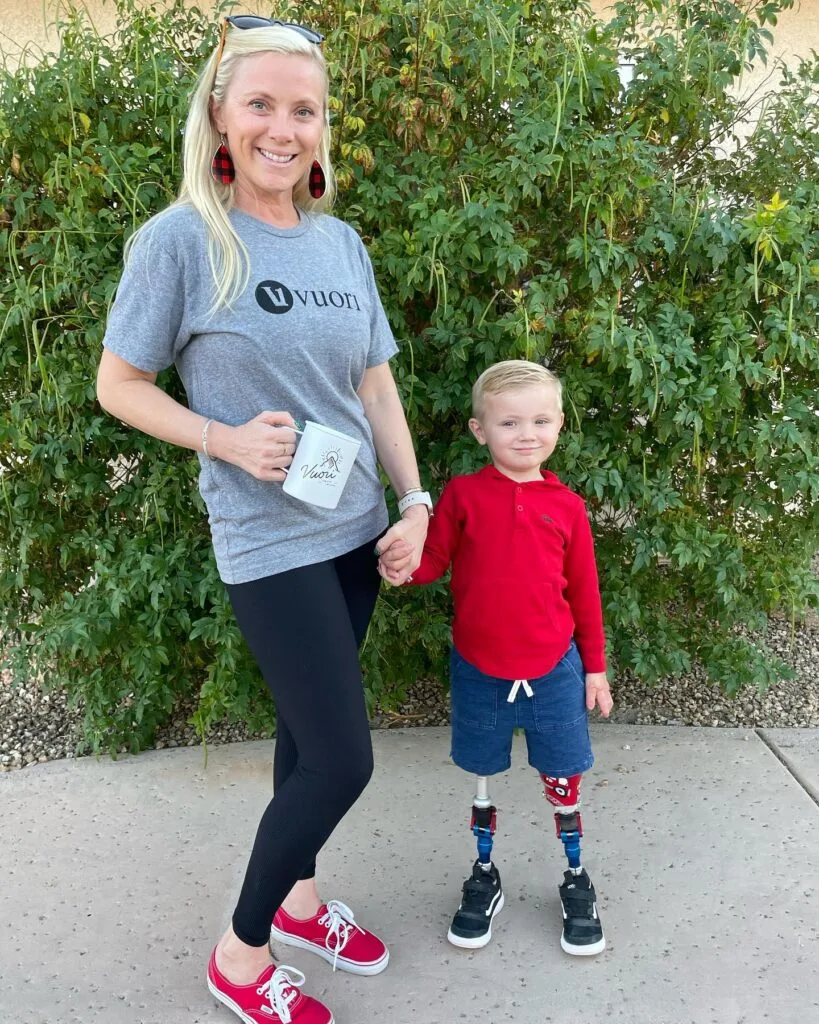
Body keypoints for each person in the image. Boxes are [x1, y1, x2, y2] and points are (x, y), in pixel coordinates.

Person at [96, 15, 429, 1024]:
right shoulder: (183, 240)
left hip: (355, 531)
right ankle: (240, 957)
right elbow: (119, 383)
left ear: (323, 127)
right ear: (221, 116)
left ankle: (301, 898)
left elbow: (375, 387)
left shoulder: (341, 242)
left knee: (302, 734)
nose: (285, 129)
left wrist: (414, 500)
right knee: (342, 756)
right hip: (267, 541)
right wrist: (224, 439)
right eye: (263, 105)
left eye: (305, 109)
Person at [380, 359, 613, 955]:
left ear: (559, 424)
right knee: (483, 779)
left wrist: (595, 668)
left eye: (540, 420)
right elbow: (435, 561)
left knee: (564, 777)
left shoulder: (568, 508)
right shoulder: (464, 495)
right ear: (481, 430)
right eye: (510, 422)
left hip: (555, 669)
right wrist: (404, 564)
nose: (527, 433)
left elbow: (584, 592)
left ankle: (575, 875)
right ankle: (484, 875)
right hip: (480, 667)